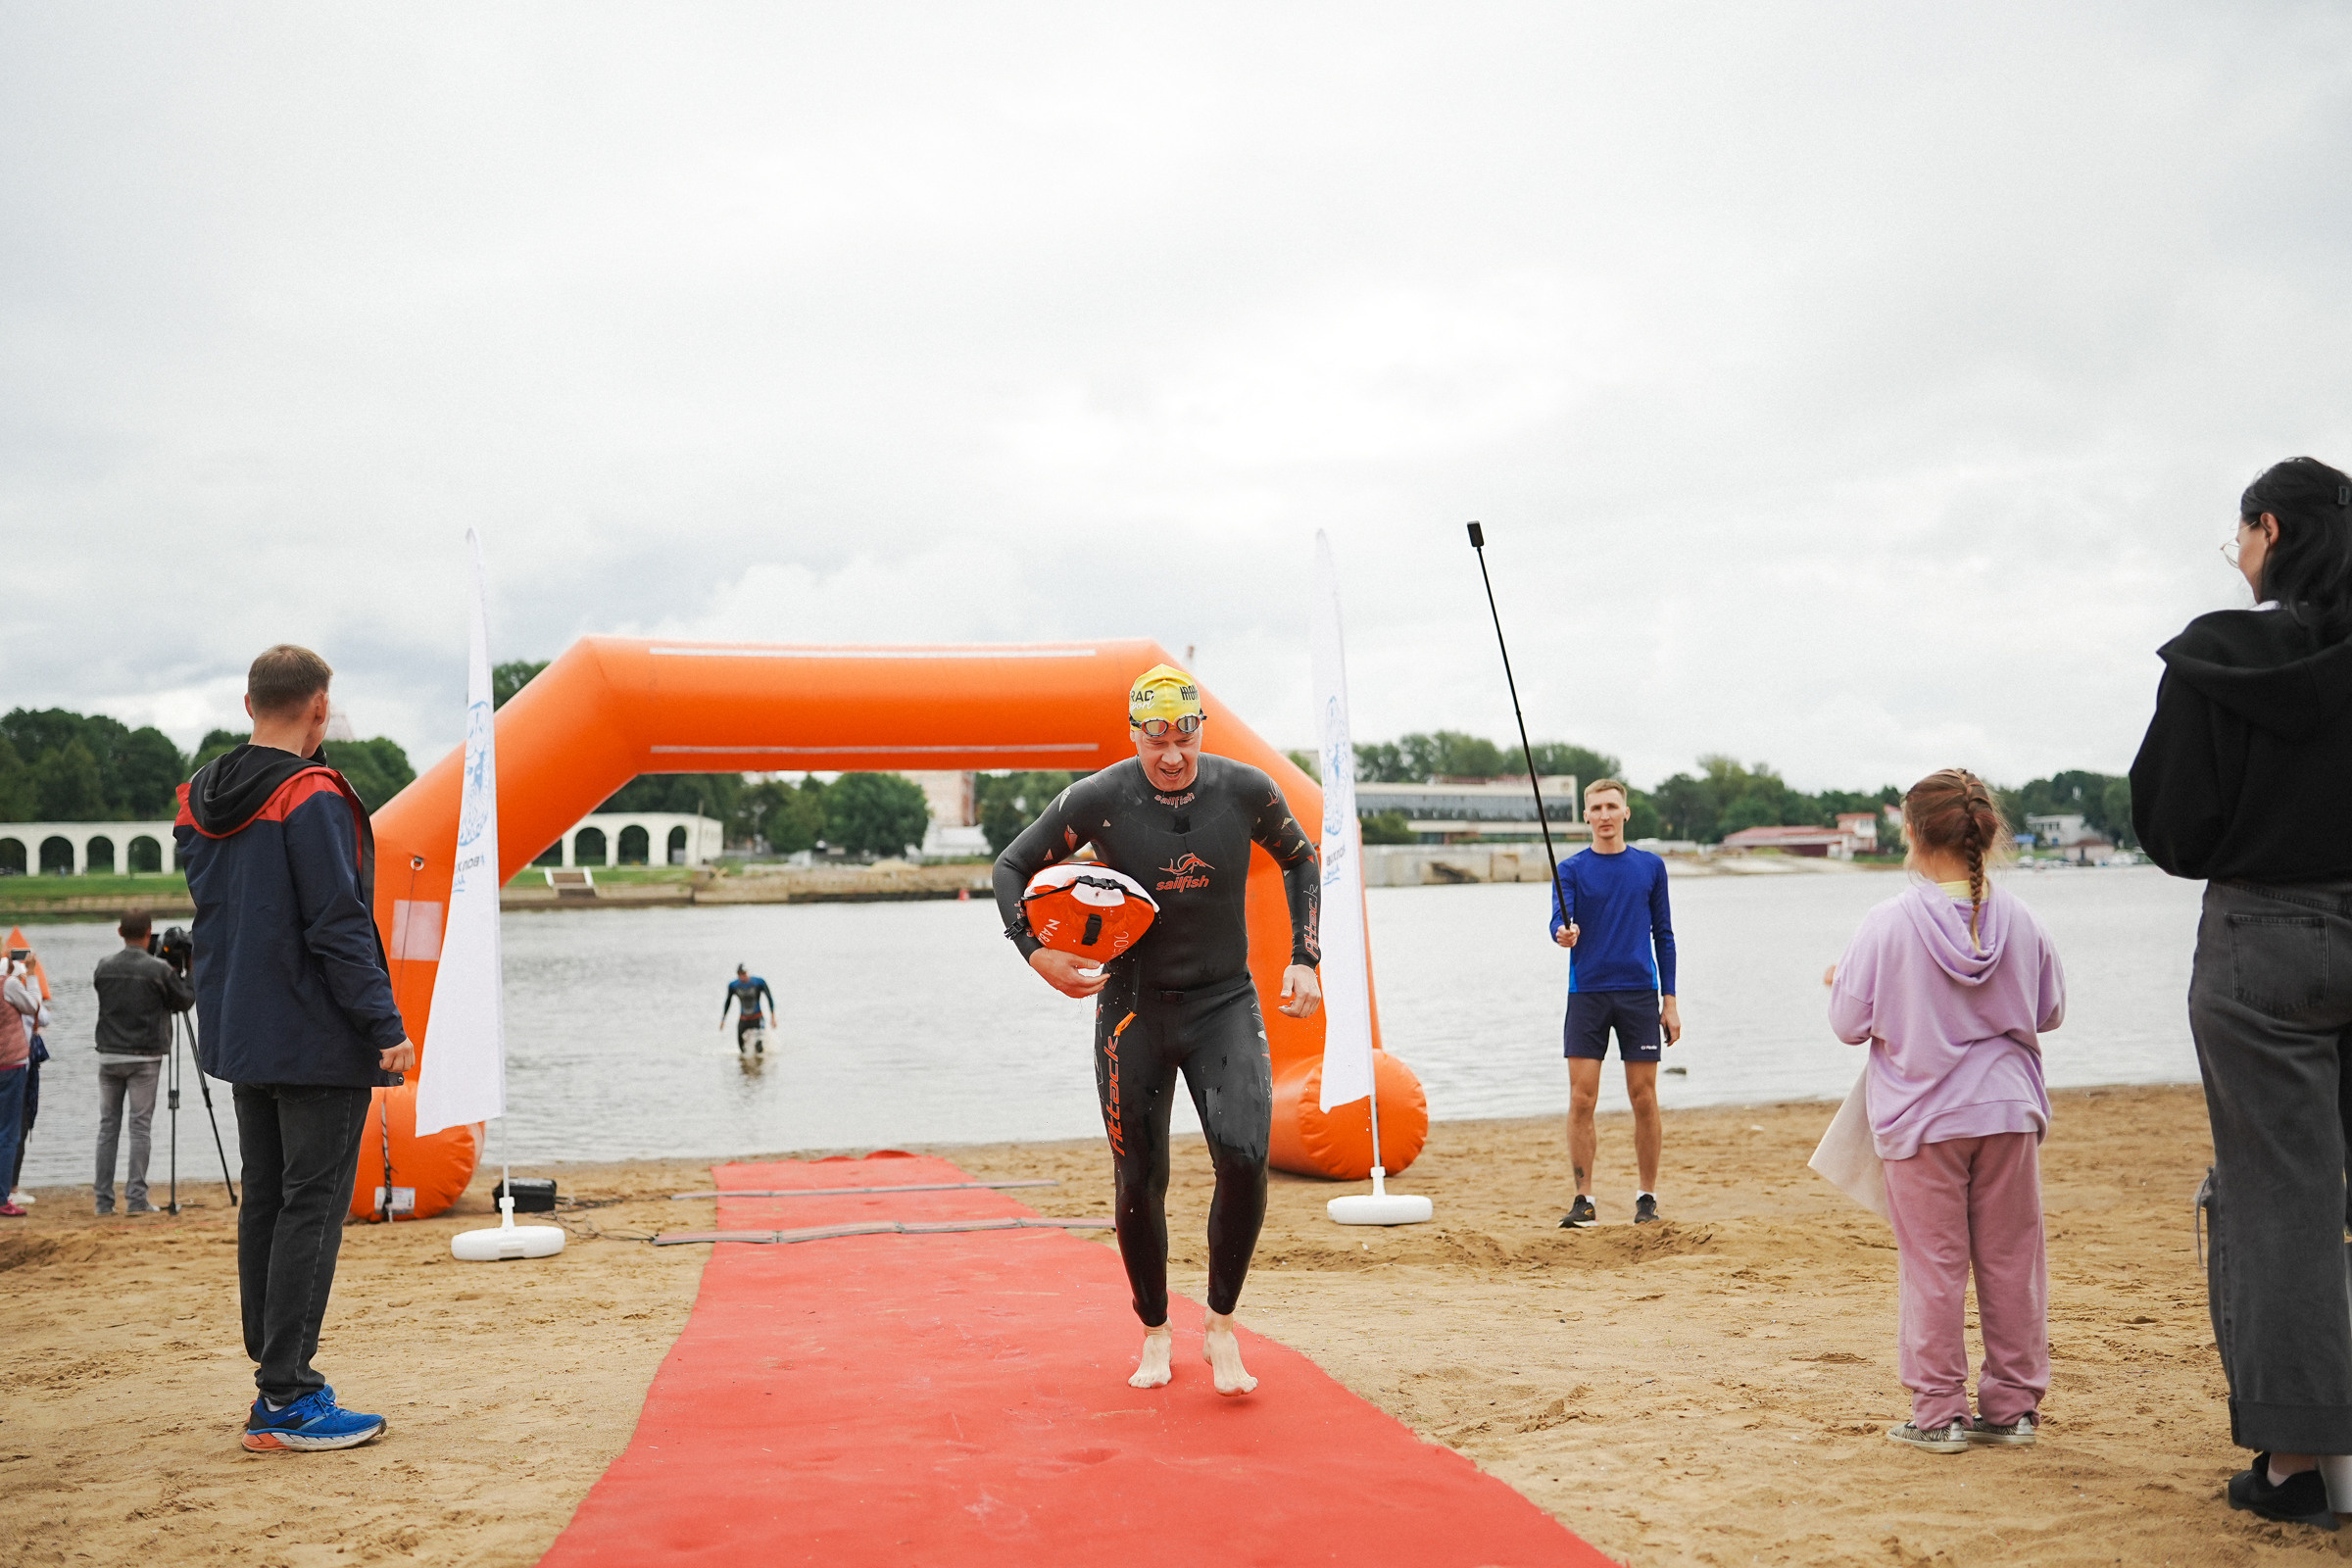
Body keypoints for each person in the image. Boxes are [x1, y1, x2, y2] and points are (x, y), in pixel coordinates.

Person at [993, 663, 1320, 1396]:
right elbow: (1011, 867)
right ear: (1135, 734)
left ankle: (1221, 1325)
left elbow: (1301, 859)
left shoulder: (1246, 789)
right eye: (1156, 739)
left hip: (1223, 1003)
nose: (1172, 754)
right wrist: (1037, 953)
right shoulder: (1100, 799)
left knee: (1243, 1157)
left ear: (1201, 727)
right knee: (1140, 1176)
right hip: (1133, 1008)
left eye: (1185, 735)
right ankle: (1154, 1330)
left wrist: (1305, 958)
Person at [2130, 456, 2352, 1528]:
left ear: (2271, 530)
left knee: (2280, 1200)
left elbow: (2173, 829)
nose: (2241, 559)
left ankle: (2298, 1462)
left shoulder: (2217, 659)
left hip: (2263, 937)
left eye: (2242, 539)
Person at [175, 644, 416, 1453]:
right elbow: (336, 922)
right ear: (320, 708)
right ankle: (285, 1394)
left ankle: (274, 1370)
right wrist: (384, 1025)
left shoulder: (200, 795)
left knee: (269, 1201)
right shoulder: (311, 793)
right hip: (313, 1034)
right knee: (310, 1206)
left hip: (241, 1028)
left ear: (249, 705)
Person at [1826, 769, 2065, 1454]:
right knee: (2012, 1262)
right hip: (2008, 1111)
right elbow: (2049, 1010)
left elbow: (1848, 1024)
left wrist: (1844, 981)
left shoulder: (1887, 922)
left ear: (1912, 832)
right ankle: (2013, 1409)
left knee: (1933, 1265)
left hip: (1924, 1118)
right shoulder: (2022, 918)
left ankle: (1938, 1414)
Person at [1549, 778, 1680, 1227]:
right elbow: (1559, 920)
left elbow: (1664, 935)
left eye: (1611, 806)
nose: (1604, 815)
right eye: (1596, 808)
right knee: (1581, 1098)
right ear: (1585, 816)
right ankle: (1583, 1199)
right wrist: (1563, 933)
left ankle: (1647, 1198)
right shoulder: (1570, 869)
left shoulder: (1650, 867)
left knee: (1643, 1097)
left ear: (1626, 813)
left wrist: (1670, 1000)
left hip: (1639, 993)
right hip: (1586, 993)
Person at [90, 907, 196, 1215]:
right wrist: (191, 969)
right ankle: (136, 1199)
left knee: (107, 1128)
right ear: (149, 933)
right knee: (139, 1127)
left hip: (109, 1055)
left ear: (120, 932)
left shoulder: (103, 967)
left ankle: (103, 1202)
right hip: (145, 1057)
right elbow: (184, 1000)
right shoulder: (158, 971)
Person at [0, 955, 35, 1218]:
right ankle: (3, 1197)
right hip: (10, 1064)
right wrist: (30, 976)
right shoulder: (8, 984)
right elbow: (33, 1007)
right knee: (8, 1134)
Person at [721, 964, 777, 1054]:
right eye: (740, 974)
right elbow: (728, 1002)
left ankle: (761, 1061)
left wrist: (773, 1017)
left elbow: (769, 998)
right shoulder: (733, 985)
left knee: (759, 1047)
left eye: (744, 974)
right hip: (743, 1019)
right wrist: (723, 1019)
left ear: (747, 973)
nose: (742, 976)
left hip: (757, 1018)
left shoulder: (759, 982)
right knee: (742, 1049)